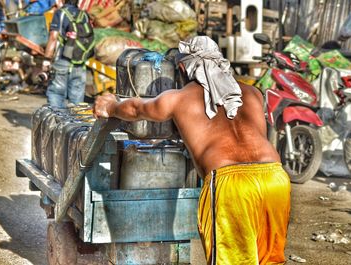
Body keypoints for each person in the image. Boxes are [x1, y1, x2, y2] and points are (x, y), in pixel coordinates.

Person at [93, 36, 291, 265]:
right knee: (271, 260)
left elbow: (137, 109)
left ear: (182, 67)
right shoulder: (252, 94)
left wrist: (110, 106)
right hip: (274, 177)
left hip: (231, 182)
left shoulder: (179, 98)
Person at [44, 0, 88, 108]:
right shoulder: (84, 15)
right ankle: (77, 124)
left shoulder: (60, 13)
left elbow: (53, 37)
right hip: (79, 62)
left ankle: (55, 123)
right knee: (77, 101)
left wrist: (46, 59)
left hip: (62, 60)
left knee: (56, 94)